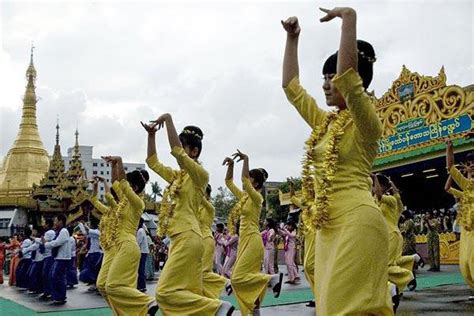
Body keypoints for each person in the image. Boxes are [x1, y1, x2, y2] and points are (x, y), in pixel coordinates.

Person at [282, 7, 393, 314]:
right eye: (324, 78)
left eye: (331, 78)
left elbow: (348, 79)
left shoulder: (367, 123)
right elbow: (292, 89)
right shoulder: (324, 123)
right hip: (326, 226)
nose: (326, 85)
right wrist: (293, 39)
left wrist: (349, 18)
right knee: (330, 308)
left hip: (358, 222)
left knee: (346, 309)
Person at [143, 114, 232, 315]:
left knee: (164, 293)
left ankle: (216, 307)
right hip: (180, 238)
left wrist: (167, 119)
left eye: (185, 146)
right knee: (187, 292)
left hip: (189, 236)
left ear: (194, 151)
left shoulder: (201, 175)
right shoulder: (178, 177)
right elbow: (153, 162)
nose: (181, 150)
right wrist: (151, 136)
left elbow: (176, 153)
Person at [224, 151, 283, 315]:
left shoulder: (257, 198)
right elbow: (229, 182)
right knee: (250, 280)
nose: (246, 181)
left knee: (236, 278)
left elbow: (244, 181)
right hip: (244, 241)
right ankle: (255, 311)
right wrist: (231, 166)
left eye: (250, 179)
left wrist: (246, 160)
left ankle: (272, 279)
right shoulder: (244, 197)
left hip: (253, 240)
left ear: (255, 183)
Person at [101, 155, 157, 316]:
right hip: (119, 247)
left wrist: (119, 161)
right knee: (105, 286)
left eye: (130, 186)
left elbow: (123, 185)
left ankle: (147, 301)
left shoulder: (138, 203)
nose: (126, 188)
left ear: (136, 188)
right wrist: (113, 166)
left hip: (128, 246)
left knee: (112, 286)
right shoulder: (125, 200)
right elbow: (116, 184)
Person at [445, 140, 473, 296]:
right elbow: (451, 168)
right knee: (465, 264)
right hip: (467, 230)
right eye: (469, 164)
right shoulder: (466, 188)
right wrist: (449, 148)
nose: (472, 166)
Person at [199, 184, 228, 299]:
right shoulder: (197, 207)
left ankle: (226, 282)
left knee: (204, 273)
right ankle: (210, 300)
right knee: (198, 275)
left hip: (206, 240)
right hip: (197, 241)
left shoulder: (209, 207)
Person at [43, 215, 71, 305]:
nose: (55, 223)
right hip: (59, 257)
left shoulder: (63, 231)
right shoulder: (59, 231)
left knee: (56, 276)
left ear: (61, 221)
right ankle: (57, 296)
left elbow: (58, 242)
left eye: (56, 221)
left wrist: (46, 244)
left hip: (62, 257)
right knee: (54, 276)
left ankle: (60, 297)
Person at [79, 219, 103, 291]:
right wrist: (81, 225)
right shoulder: (92, 233)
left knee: (96, 270)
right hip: (92, 253)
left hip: (97, 253)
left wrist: (83, 225)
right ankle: (93, 283)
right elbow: (85, 233)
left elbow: (87, 231)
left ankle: (96, 284)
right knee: (91, 270)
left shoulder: (97, 232)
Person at [39, 219, 56, 301]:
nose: (44, 225)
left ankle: (48, 291)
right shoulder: (52, 232)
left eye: (45, 223)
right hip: (48, 255)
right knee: (46, 274)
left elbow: (43, 242)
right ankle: (48, 291)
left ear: (48, 224)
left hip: (48, 255)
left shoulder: (49, 233)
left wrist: (39, 239)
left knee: (46, 274)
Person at [27, 228, 45, 294]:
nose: (34, 233)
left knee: (36, 274)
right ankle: (36, 288)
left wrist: (33, 237)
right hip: (35, 259)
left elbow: (34, 246)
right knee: (34, 274)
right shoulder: (35, 241)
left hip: (40, 259)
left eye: (35, 232)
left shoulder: (41, 240)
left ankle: (38, 289)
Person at [136, 218, 149, 292]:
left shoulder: (140, 231)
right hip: (143, 251)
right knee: (141, 269)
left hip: (141, 251)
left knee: (140, 269)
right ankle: (141, 285)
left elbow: (138, 242)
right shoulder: (142, 230)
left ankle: (141, 285)